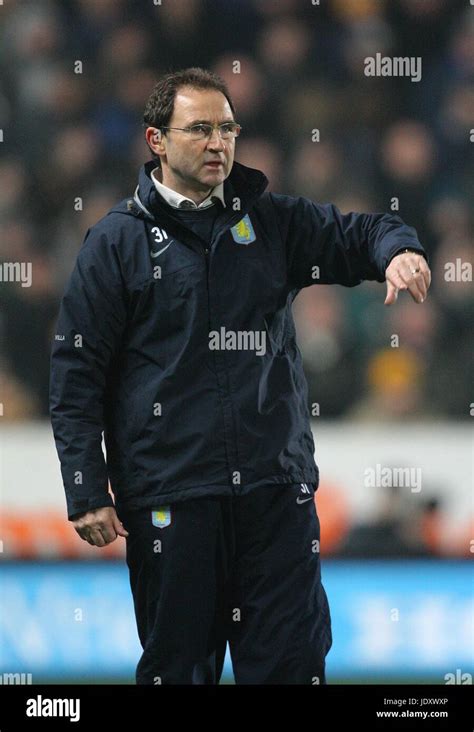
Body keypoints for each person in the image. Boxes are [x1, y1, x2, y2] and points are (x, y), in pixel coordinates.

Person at [49, 67, 431, 685]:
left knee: (293, 668)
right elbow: (75, 374)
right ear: (156, 141)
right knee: (179, 672)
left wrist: (399, 250)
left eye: (227, 128)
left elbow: (361, 231)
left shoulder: (273, 223)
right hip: (172, 499)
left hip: (274, 495)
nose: (218, 143)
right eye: (199, 129)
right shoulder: (115, 244)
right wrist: (85, 487)